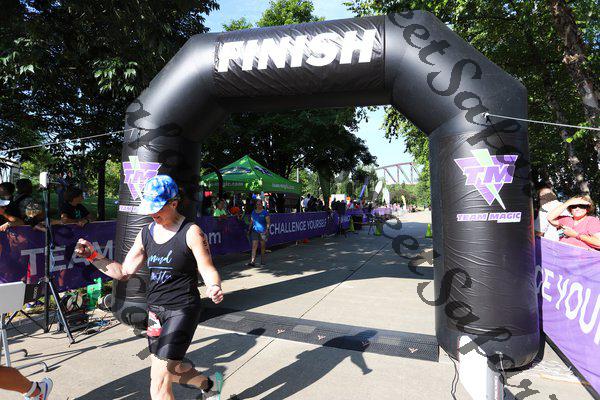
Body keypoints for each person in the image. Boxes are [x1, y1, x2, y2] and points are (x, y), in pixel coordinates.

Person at [75, 175, 224, 400]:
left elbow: (207, 266)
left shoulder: (191, 232)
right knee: (173, 371)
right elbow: (124, 272)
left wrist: (213, 285)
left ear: (173, 203)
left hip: (182, 309)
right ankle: (210, 385)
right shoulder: (146, 233)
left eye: (158, 208)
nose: (153, 214)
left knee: (158, 382)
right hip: (155, 311)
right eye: (150, 208)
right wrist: (93, 256)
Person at [246, 199, 270, 267]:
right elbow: (251, 221)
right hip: (255, 231)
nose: (258, 206)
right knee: (254, 246)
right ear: (256, 205)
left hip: (263, 231)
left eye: (260, 204)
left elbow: (268, 222)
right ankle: (252, 261)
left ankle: (262, 260)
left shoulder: (265, 212)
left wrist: (267, 230)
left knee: (262, 246)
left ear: (262, 204)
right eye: (257, 204)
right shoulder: (253, 212)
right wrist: (249, 229)